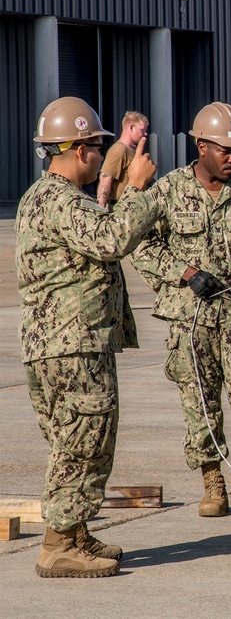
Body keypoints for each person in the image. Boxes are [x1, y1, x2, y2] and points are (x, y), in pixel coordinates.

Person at [18, 97, 159, 578]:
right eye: (98, 146)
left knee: (79, 439)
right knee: (83, 442)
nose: (102, 154)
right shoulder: (58, 200)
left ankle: (74, 531)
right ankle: (57, 545)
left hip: (63, 344)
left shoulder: (43, 198)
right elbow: (113, 239)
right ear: (80, 150)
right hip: (72, 345)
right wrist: (137, 190)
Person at [132, 102, 231, 518]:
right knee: (199, 403)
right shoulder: (167, 191)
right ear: (201, 147)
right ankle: (212, 482)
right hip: (189, 319)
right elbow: (141, 245)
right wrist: (182, 272)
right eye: (226, 150)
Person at [96, 111, 149, 209]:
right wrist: (101, 207)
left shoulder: (133, 150)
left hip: (132, 207)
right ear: (131, 128)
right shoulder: (119, 150)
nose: (145, 133)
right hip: (118, 208)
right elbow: (105, 179)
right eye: (142, 130)